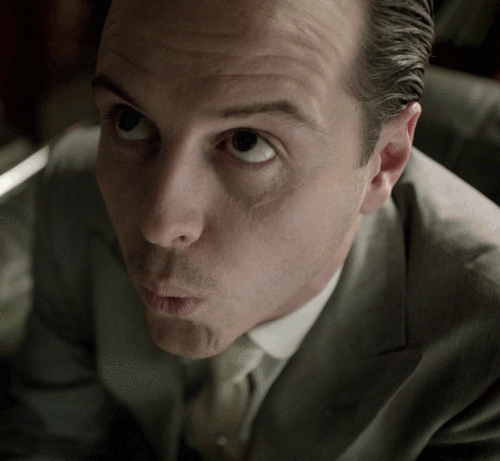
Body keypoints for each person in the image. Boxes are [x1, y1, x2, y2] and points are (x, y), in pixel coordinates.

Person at [1, 0, 500, 459]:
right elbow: (49, 438)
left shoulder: (486, 347)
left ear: (384, 161)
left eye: (247, 142)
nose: (157, 223)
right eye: (129, 121)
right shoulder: (73, 194)